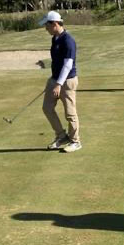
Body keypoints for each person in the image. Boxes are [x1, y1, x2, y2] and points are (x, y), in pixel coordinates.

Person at [40, 11, 81, 153]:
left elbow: (68, 65)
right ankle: (61, 136)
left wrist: (58, 84)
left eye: (47, 25)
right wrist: (53, 80)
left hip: (67, 81)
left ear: (55, 24)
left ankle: (75, 141)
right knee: (47, 108)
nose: (46, 28)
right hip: (55, 80)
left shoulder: (68, 41)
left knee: (70, 113)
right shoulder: (55, 38)